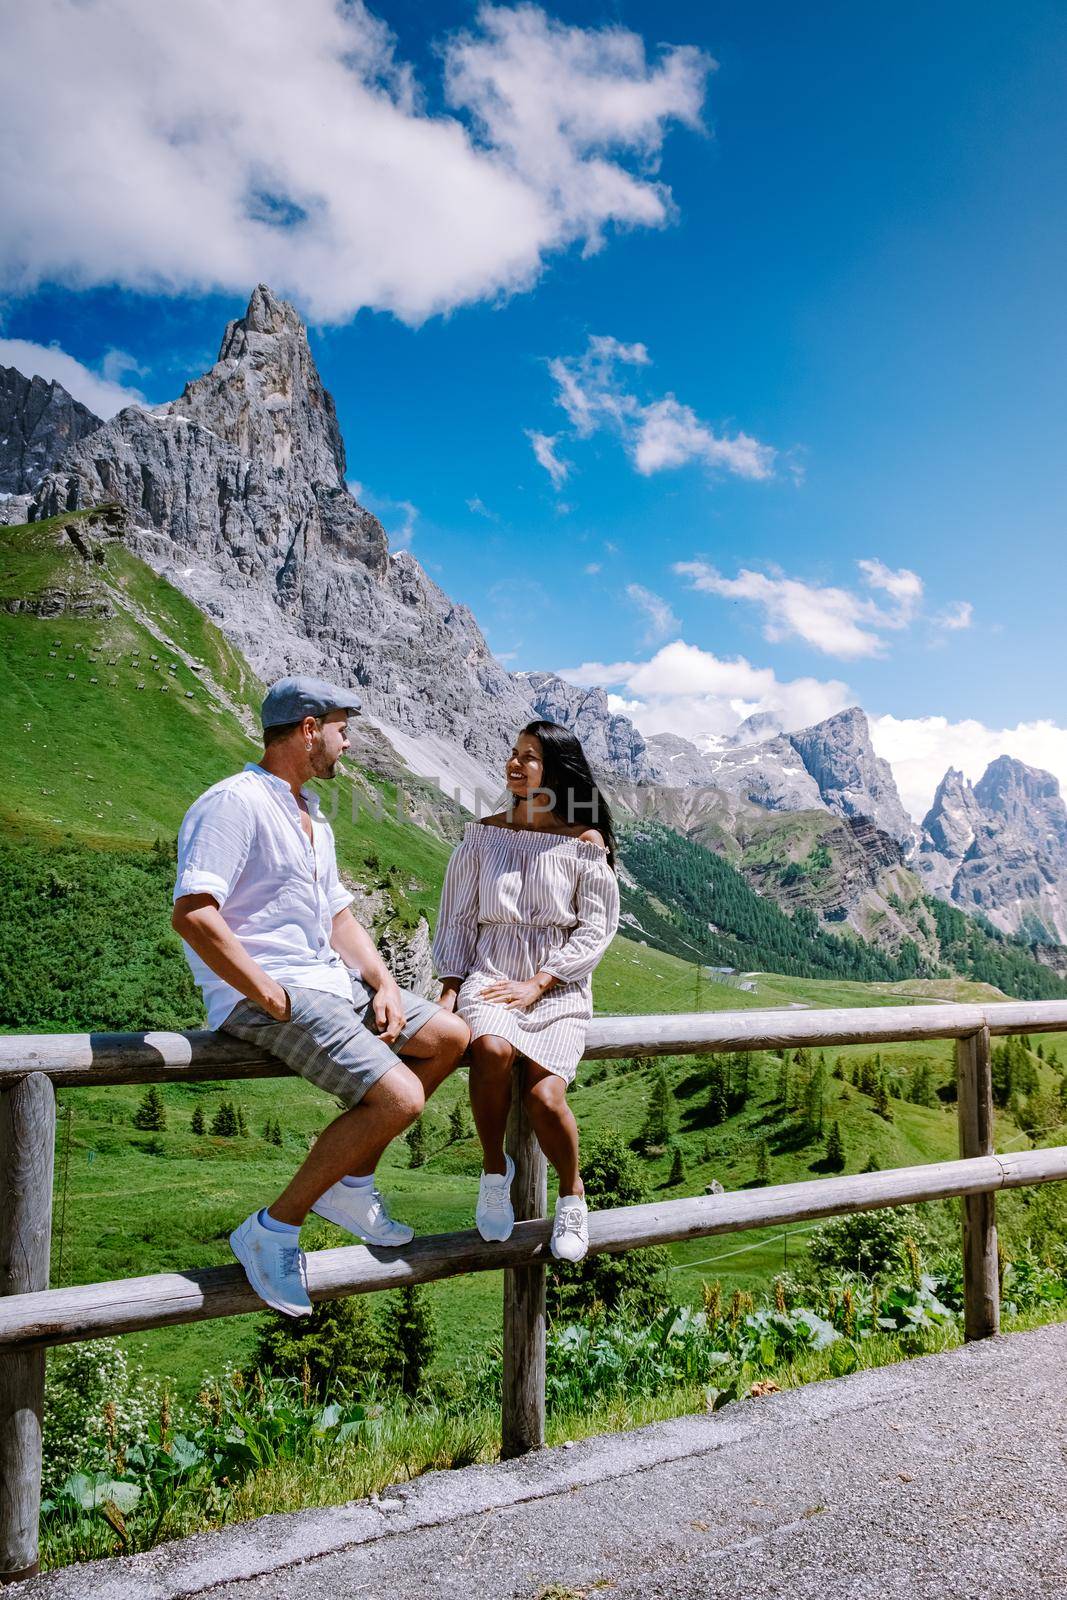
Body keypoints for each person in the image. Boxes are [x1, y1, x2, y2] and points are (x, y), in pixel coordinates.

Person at [171, 675, 470, 1318]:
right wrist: (267, 992)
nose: (348, 742)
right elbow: (194, 912)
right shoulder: (233, 803)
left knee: (451, 1035)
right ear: (309, 728)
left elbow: (338, 919)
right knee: (401, 1095)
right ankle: (273, 1228)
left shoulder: (312, 816)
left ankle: (352, 1182)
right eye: (342, 728)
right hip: (271, 993)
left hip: (329, 983)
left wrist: (385, 981)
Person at [433, 720, 620, 1263]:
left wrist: (541, 982)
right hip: (492, 973)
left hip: (557, 983)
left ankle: (572, 1194)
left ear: (555, 770)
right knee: (490, 1049)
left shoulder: (584, 842)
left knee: (544, 1096)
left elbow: (596, 927)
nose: (514, 764)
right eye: (513, 753)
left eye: (529, 757)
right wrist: (450, 985)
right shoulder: (482, 835)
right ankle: (495, 1170)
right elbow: (458, 918)